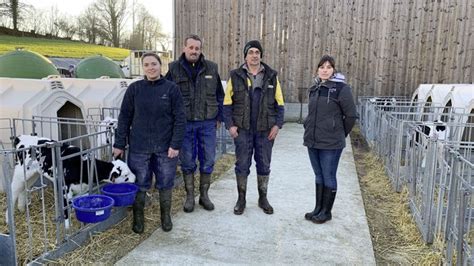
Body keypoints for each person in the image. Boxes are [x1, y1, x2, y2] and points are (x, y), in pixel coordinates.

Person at [113, 52, 186, 234]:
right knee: (139, 183)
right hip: (139, 147)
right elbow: (124, 118)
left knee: (165, 182)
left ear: (160, 66)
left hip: (165, 147)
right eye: (146, 65)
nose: (151, 68)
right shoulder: (135, 89)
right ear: (143, 68)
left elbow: (180, 119)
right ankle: (138, 218)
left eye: (154, 64)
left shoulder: (171, 89)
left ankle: (165, 217)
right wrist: (119, 143)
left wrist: (175, 145)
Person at [223, 40, 285, 215]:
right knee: (242, 164)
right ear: (245, 56)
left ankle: (262, 198)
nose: (254, 55)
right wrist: (230, 126)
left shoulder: (272, 76)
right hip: (242, 129)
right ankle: (241, 199)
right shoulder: (235, 76)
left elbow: (280, 104)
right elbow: (227, 104)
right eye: (251, 52)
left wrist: (277, 125)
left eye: (257, 52)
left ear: (261, 55)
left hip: (265, 130)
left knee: (264, 164)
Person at [165, 34, 225, 213]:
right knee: (187, 160)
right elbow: (167, 96)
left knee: (208, 159)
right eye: (191, 48)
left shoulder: (211, 68)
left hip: (207, 123)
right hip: (185, 124)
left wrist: (219, 117)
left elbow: (219, 95)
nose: (194, 51)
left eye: (197, 48)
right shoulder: (174, 69)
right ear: (184, 48)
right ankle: (190, 196)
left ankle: (204, 195)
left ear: (201, 50)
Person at [303, 55, 358, 224]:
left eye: (328, 67)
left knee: (328, 175)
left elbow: (351, 115)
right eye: (322, 67)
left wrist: (340, 133)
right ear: (317, 69)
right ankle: (318, 209)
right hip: (313, 140)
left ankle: (327, 212)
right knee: (318, 175)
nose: (325, 70)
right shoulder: (315, 88)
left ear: (333, 70)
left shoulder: (341, 89)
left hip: (331, 142)